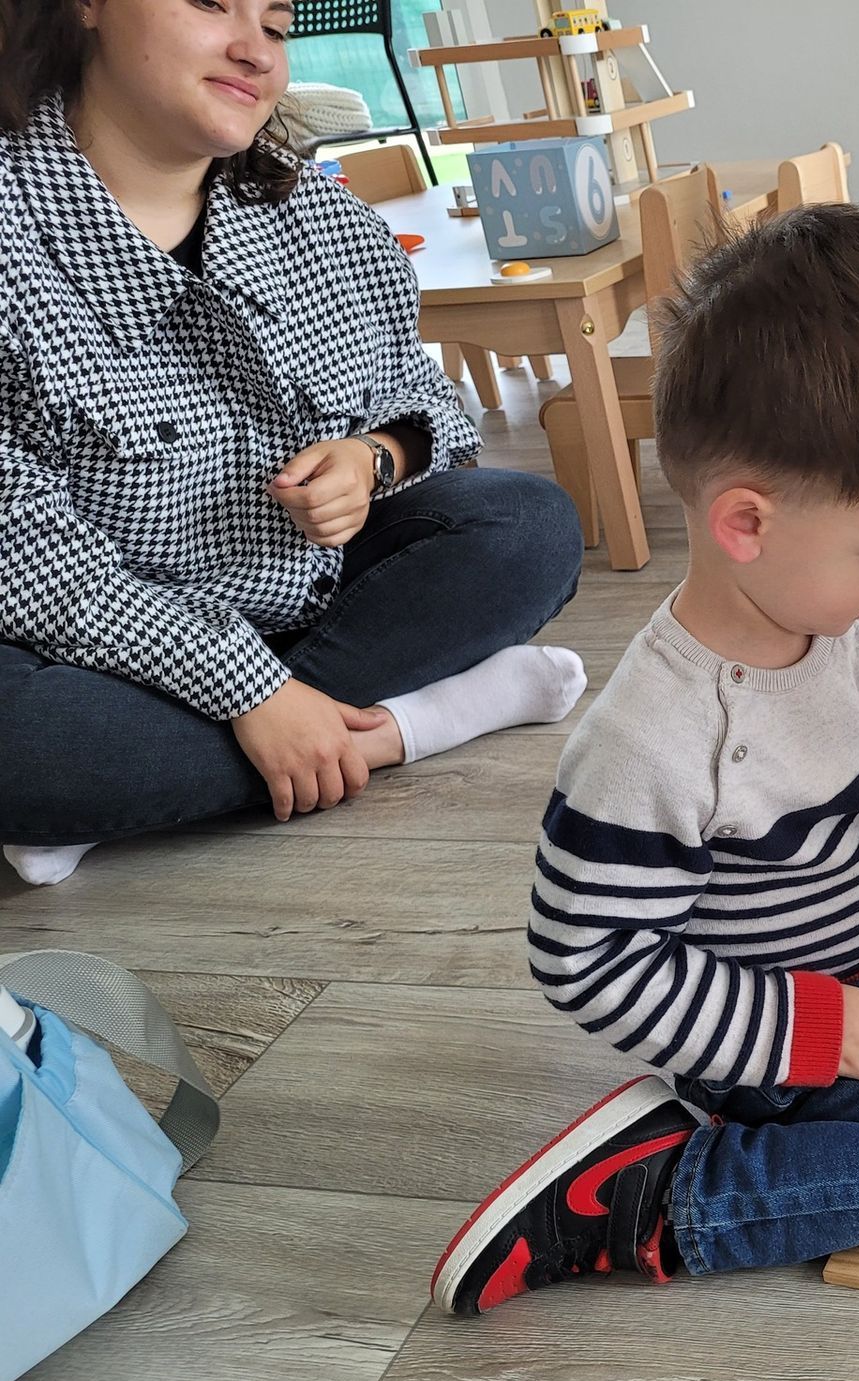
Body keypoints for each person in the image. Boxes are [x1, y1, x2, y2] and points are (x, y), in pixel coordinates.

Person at [430, 205, 859, 1316]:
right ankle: (651, 1197)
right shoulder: (650, 741)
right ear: (746, 525)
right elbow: (585, 959)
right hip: (772, 1022)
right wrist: (808, 1030)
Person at [0, 0, 587, 887]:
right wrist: (247, 690)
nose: (254, 52)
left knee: (528, 523)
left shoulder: (324, 221)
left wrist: (376, 456)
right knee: (23, 742)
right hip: (89, 645)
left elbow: (427, 401)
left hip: (314, 597)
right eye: (209, 4)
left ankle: (132, 789)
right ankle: (420, 720)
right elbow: (27, 561)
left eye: (275, 27)